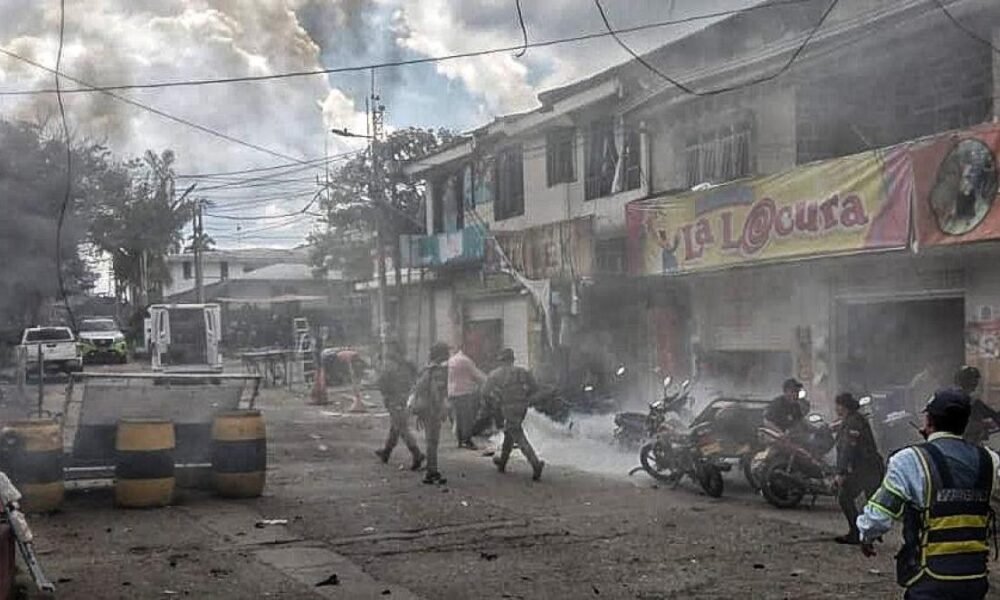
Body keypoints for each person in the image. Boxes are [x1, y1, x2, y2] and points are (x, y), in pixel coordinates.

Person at [857, 389, 999, 599]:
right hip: (974, 577)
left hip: (930, 577)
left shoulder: (909, 459)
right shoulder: (990, 460)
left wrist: (866, 535)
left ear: (928, 420)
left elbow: (879, 515)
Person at [482, 348, 545, 481]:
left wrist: (495, 401)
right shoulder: (522, 372)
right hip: (522, 407)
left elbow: (485, 392)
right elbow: (535, 388)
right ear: (512, 359)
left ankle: (535, 463)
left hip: (507, 407)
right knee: (509, 433)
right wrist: (525, 397)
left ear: (501, 360)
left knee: (517, 434)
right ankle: (502, 463)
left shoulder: (495, 374)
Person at [833, 392, 883, 545]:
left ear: (843, 406)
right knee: (871, 503)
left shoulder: (853, 422)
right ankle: (870, 533)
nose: (836, 409)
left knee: (845, 496)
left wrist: (841, 473)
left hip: (866, 468)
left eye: (838, 405)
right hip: (868, 467)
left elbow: (848, 448)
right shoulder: (852, 420)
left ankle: (857, 534)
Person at [374, 341, 424, 471]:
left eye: (389, 349)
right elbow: (417, 378)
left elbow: (381, 383)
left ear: (394, 350)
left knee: (401, 428)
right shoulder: (408, 363)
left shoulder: (389, 365)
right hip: (407, 398)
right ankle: (386, 451)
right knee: (395, 427)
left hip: (395, 400)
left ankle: (417, 453)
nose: (387, 351)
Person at [412, 342, 451, 485]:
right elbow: (437, 393)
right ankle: (431, 472)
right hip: (432, 410)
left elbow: (417, 389)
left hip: (425, 409)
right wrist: (441, 410)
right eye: (446, 352)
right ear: (441, 354)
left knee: (430, 441)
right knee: (432, 442)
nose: (448, 355)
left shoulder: (425, 370)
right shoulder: (439, 372)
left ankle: (431, 470)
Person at [447, 346, 488, 450]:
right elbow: (477, 375)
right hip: (464, 393)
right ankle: (467, 440)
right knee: (466, 418)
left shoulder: (451, 361)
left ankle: (460, 440)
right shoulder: (466, 361)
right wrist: (489, 380)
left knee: (457, 417)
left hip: (452, 393)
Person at [956, 366, 1000, 445]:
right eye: (972, 380)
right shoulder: (968, 402)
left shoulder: (975, 402)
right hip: (965, 444)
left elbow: (994, 415)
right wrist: (984, 424)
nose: (975, 383)